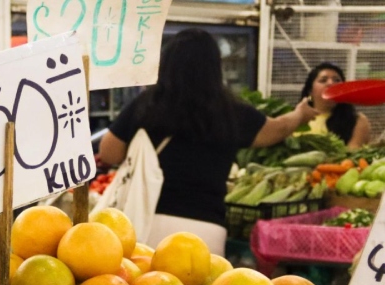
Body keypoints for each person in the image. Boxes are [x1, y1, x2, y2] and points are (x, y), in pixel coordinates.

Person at [98, 29, 318, 254]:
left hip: (149, 221)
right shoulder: (231, 112)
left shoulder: (146, 105)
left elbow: (109, 152)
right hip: (207, 230)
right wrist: (300, 114)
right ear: (215, 68)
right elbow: (277, 128)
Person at [299, 62, 372, 149]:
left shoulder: (357, 121)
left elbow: (351, 157)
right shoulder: (296, 118)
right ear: (310, 91)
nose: (330, 83)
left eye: (337, 80)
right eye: (323, 80)